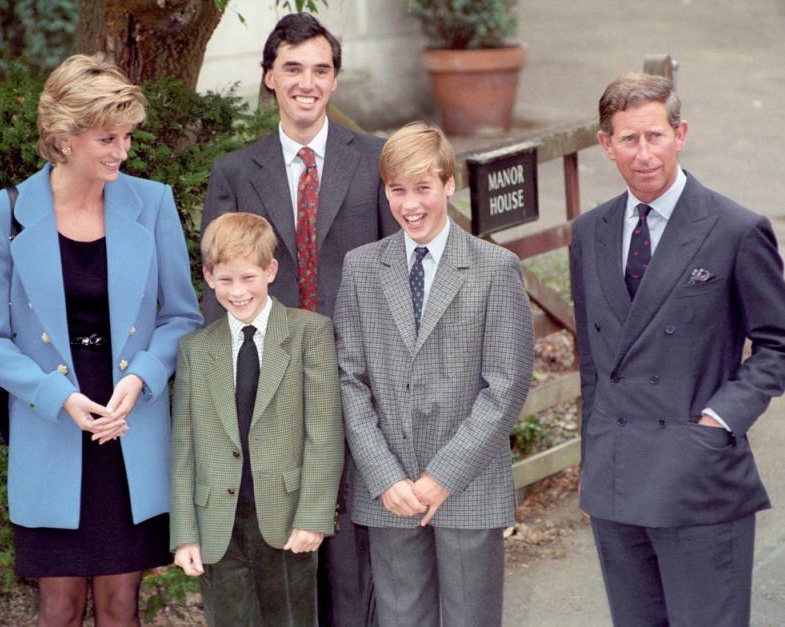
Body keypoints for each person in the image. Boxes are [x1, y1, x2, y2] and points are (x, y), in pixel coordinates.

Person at [0, 53, 202, 625]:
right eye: (107, 138)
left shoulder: (155, 202)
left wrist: (142, 378)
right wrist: (56, 396)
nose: (123, 151)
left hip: (130, 422)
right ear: (64, 138)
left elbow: (181, 317)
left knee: (123, 607)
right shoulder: (3, 215)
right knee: (60, 607)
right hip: (51, 421)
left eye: (126, 136)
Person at [570, 72, 785, 626]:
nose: (644, 153)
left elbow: (781, 344)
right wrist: (592, 452)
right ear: (606, 145)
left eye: (655, 135)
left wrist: (720, 419)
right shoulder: (590, 231)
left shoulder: (735, 229)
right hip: (616, 473)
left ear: (681, 134)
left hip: (698, 475)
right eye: (629, 139)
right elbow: (593, 363)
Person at [200, 12, 398, 626]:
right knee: (283, 548)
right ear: (269, 78)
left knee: (353, 553)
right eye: (292, 69)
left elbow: (397, 270)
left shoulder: (374, 160)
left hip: (359, 378)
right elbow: (216, 287)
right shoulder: (236, 171)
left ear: (335, 80)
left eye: (320, 69)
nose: (306, 83)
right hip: (271, 389)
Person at [335, 122, 535, 627]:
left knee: (470, 617)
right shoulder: (362, 268)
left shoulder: (494, 268)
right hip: (391, 488)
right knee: (401, 616)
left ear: (449, 184)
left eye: (423, 188)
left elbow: (506, 385)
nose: (410, 204)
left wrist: (443, 476)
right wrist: (384, 475)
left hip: (467, 483)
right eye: (397, 190)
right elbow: (349, 380)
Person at [170, 212, 344, 626]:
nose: (238, 291)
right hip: (218, 524)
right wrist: (184, 534)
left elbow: (323, 433)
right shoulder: (196, 349)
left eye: (248, 277)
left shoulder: (309, 334)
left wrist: (313, 516)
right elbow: (183, 450)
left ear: (270, 270)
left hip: (285, 518)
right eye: (225, 280)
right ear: (209, 277)